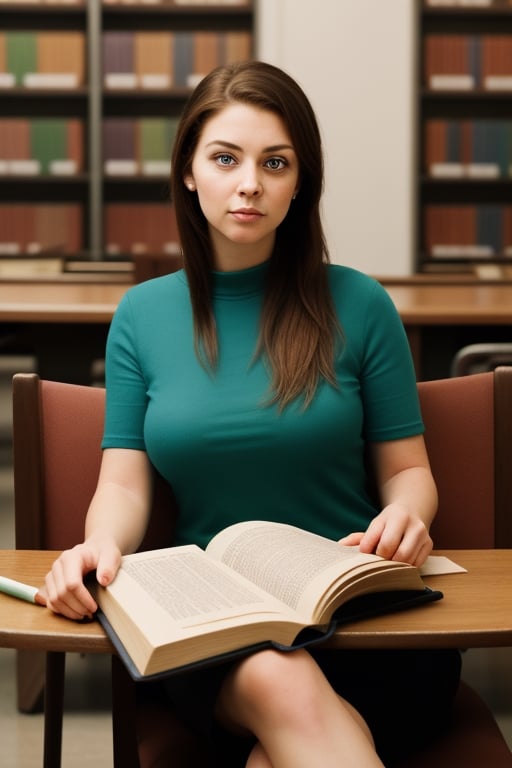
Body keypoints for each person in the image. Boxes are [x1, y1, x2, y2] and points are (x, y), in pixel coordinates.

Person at [42, 60, 461, 767]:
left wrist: (409, 515)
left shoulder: (360, 304)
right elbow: (122, 482)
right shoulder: (142, 316)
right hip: (220, 628)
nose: (250, 184)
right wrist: (101, 547)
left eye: (275, 163)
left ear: (301, 182)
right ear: (188, 170)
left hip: (360, 613)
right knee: (277, 676)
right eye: (225, 158)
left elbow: (408, 470)